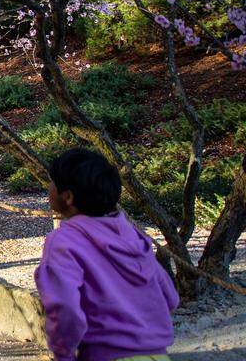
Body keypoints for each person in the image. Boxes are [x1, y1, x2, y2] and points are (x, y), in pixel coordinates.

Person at [36, 148, 178, 361]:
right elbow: (170, 297)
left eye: (53, 182)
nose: (49, 188)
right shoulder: (132, 235)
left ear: (68, 197)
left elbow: (64, 306)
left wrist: (63, 353)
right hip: (156, 355)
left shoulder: (63, 241)